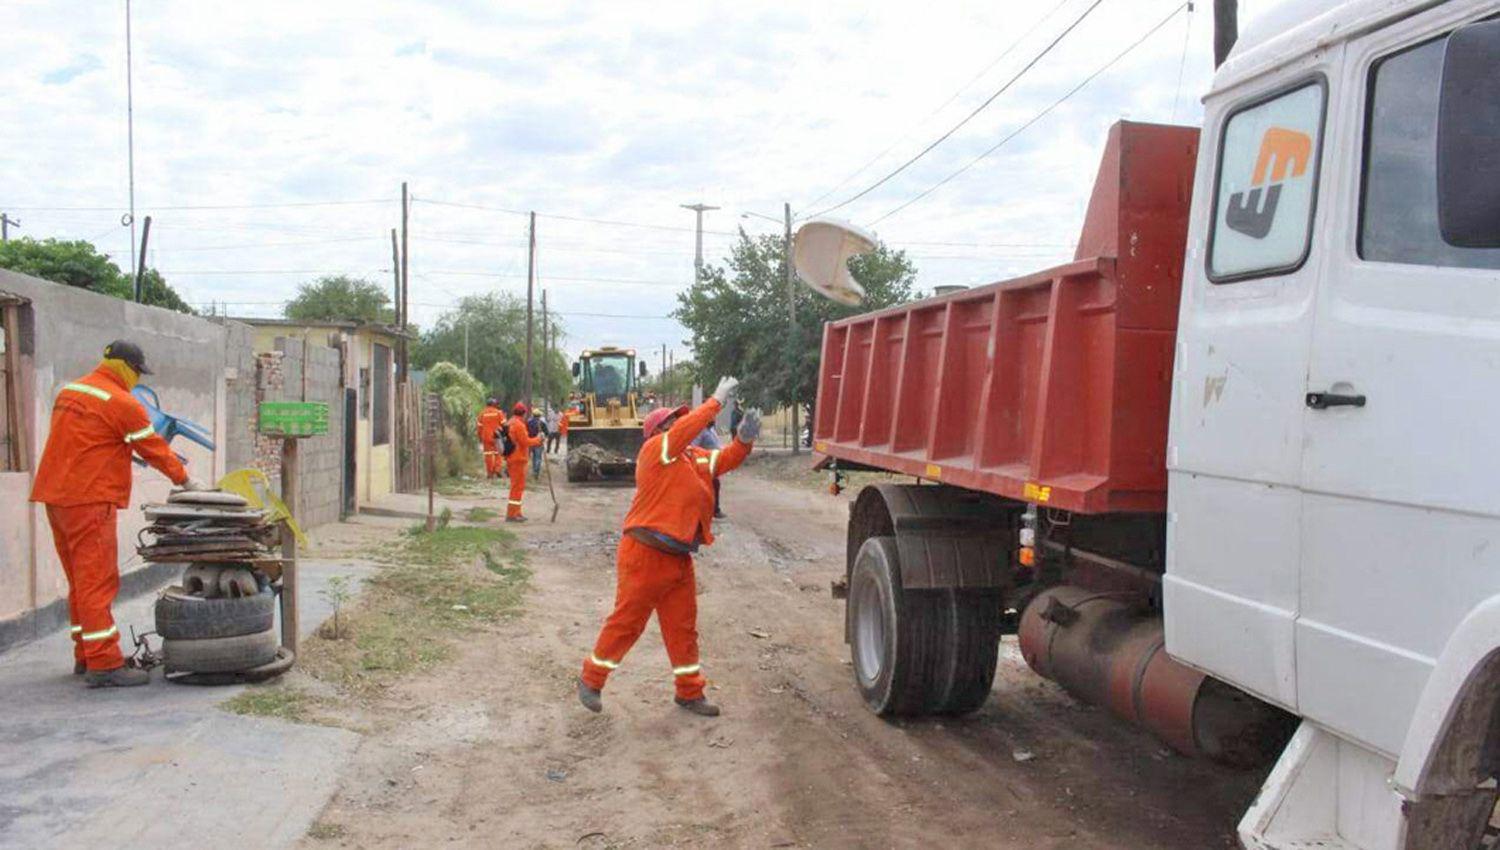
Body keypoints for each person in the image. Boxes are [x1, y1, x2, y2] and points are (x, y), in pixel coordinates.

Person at [577, 376, 761, 718]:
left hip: (677, 558)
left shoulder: (692, 458)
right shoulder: (654, 451)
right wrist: (714, 402)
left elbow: (724, 461)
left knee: (683, 628)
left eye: (679, 418)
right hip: (644, 555)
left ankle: (689, 692)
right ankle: (591, 679)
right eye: (672, 420)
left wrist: (743, 441)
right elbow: (685, 431)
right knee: (627, 622)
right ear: (658, 430)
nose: (678, 422)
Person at [29, 340, 208, 688]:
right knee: (97, 581)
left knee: (81, 581)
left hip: (57, 497)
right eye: (137, 372)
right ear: (128, 367)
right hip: (90, 500)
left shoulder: (72, 391)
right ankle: (105, 665)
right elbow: (153, 449)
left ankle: (87, 653)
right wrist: (187, 481)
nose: (136, 379)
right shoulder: (122, 402)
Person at [505, 402, 544, 521]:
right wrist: (539, 440)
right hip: (518, 459)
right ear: (524, 413)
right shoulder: (519, 425)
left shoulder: (510, 422)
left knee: (516, 486)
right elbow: (525, 442)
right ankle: (512, 514)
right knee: (517, 487)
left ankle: (516, 512)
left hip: (512, 458)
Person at [692, 423, 726, 519]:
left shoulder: (711, 430)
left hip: (714, 463)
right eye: (711, 417)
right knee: (712, 486)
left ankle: (713, 510)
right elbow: (694, 446)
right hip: (705, 464)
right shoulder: (700, 431)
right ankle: (712, 511)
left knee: (715, 485)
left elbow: (717, 444)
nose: (714, 419)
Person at [476, 398, 504, 479]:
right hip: (497, 436)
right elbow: (504, 424)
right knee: (498, 453)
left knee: (488, 455)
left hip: (486, 437)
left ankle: (490, 473)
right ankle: (497, 469)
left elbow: (479, 427)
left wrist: (480, 437)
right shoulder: (498, 412)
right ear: (494, 404)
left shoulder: (482, 414)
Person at [527, 407, 546, 476]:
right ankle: (536, 472)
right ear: (539, 416)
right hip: (538, 443)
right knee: (537, 458)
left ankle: (528, 471)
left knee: (529, 457)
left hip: (529, 442)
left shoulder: (528, 422)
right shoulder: (542, 423)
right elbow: (547, 433)